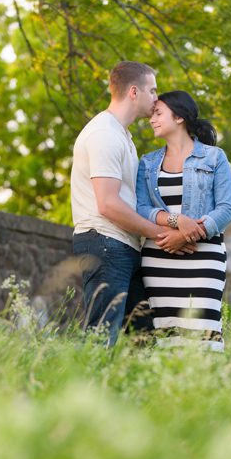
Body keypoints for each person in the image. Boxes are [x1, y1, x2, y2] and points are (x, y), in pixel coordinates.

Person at [71, 62, 196, 346]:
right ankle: (84, 389)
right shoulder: (104, 134)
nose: (156, 99)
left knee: (144, 339)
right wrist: (163, 234)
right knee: (102, 336)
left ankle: (131, 389)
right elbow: (108, 204)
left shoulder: (122, 135)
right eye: (152, 91)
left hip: (124, 245)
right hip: (104, 243)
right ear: (134, 91)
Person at [135, 91, 231, 351]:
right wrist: (176, 220)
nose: (152, 119)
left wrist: (188, 234)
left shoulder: (215, 157)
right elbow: (141, 207)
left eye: (158, 114)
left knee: (205, 334)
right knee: (166, 336)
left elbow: (226, 209)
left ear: (178, 117)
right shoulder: (147, 163)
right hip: (160, 256)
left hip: (204, 257)